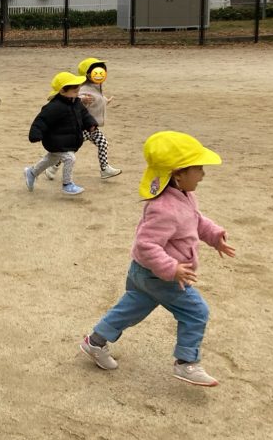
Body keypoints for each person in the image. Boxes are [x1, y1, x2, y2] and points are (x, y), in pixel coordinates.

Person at [79, 131, 236, 387]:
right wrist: (171, 268)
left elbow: (195, 220)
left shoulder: (184, 196)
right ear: (178, 175)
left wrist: (214, 235)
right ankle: (187, 362)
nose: (203, 174)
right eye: (198, 168)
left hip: (144, 273)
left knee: (132, 309)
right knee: (197, 311)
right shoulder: (164, 208)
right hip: (159, 277)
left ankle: (95, 342)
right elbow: (146, 244)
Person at [24, 72, 98, 196]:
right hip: (55, 141)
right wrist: (36, 133)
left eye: (78, 90)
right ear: (63, 91)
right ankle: (67, 184)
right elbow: (42, 120)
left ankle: (31, 173)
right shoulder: (54, 106)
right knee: (70, 158)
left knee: (51, 159)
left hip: (66, 140)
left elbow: (84, 114)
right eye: (75, 91)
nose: (77, 93)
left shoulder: (76, 102)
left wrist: (90, 124)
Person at [46, 57, 120, 181]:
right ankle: (52, 167)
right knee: (69, 150)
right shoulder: (83, 88)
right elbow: (73, 99)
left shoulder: (96, 87)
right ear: (88, 74)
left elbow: (97, 100)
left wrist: (105, 101)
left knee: (102, 143)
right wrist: (82, 99)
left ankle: (104, 169)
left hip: (91, 127)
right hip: (82, 127)